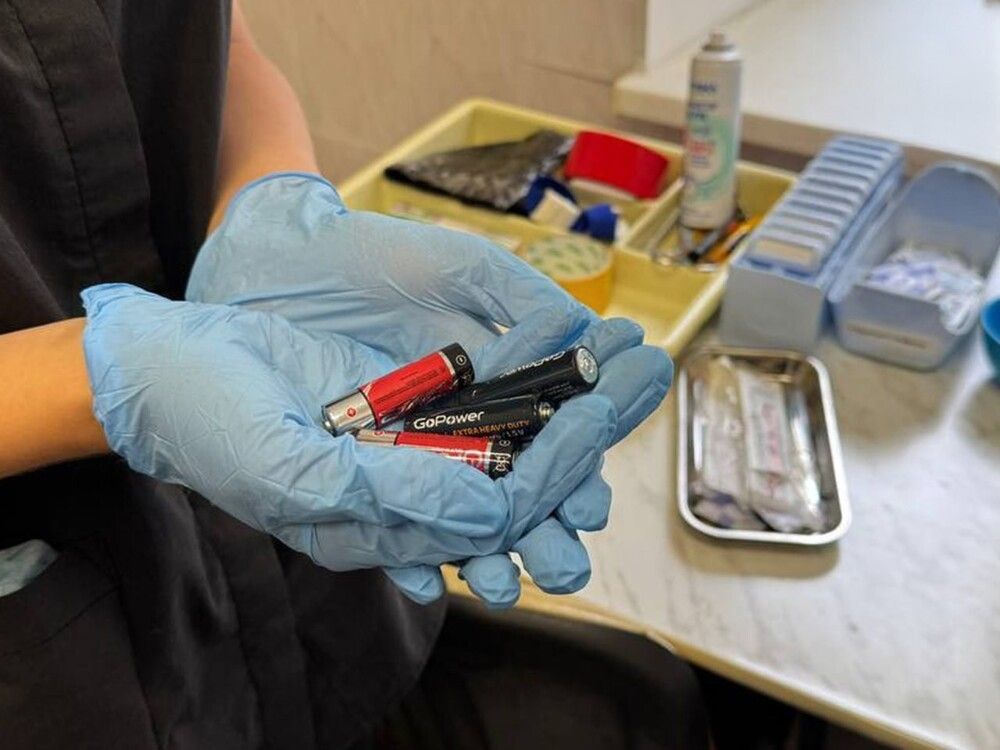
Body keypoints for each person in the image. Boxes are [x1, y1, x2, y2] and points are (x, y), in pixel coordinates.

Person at [0, 2, 706, 747]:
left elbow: (225, 42)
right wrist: (93, 377)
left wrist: (269, 199)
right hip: (78, 672)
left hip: (327, 614)